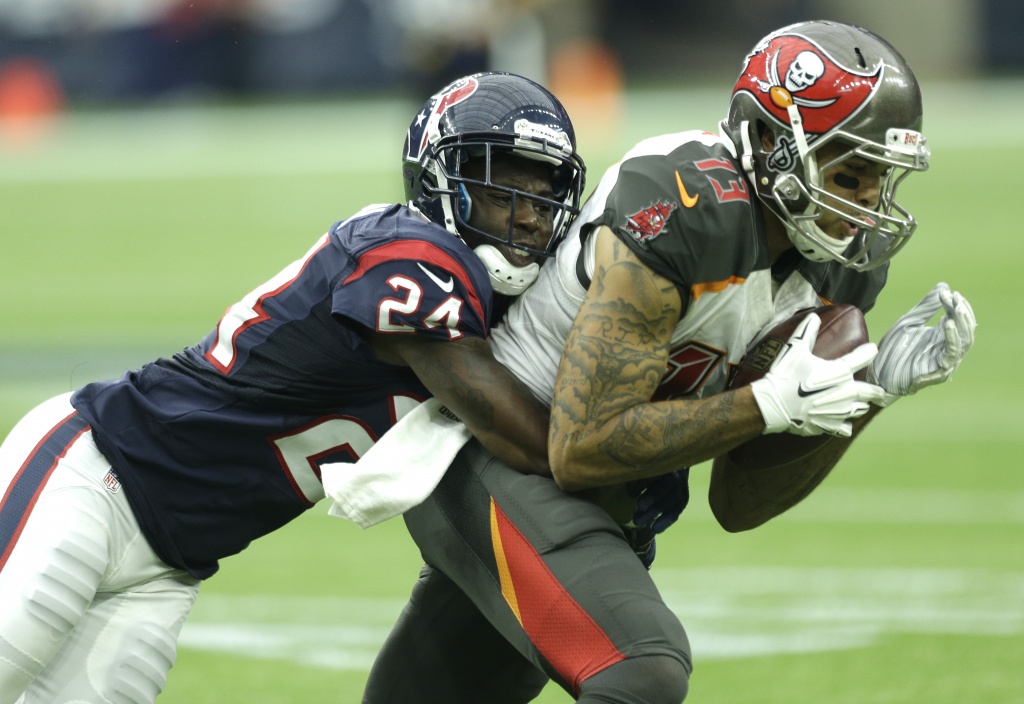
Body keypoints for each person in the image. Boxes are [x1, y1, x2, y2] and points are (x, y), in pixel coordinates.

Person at [363, 20, 977, 704]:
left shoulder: (840, 269)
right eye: (850, 173)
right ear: (771, 145)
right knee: (641, 668)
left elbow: (740, 502)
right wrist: (765, 404)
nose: (866, 207)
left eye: (880, 180)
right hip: (499, 454)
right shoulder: (686, 204)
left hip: (597, 501)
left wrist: (865, 393)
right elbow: (581, 446)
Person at [0, 72, 588, 702]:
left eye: (543, 197)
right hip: (93, 480)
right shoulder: (411, 256)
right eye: (505, 190)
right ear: (444, 181)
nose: (527, 217)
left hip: (169, 564)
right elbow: (523, 437)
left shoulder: (482, 300)